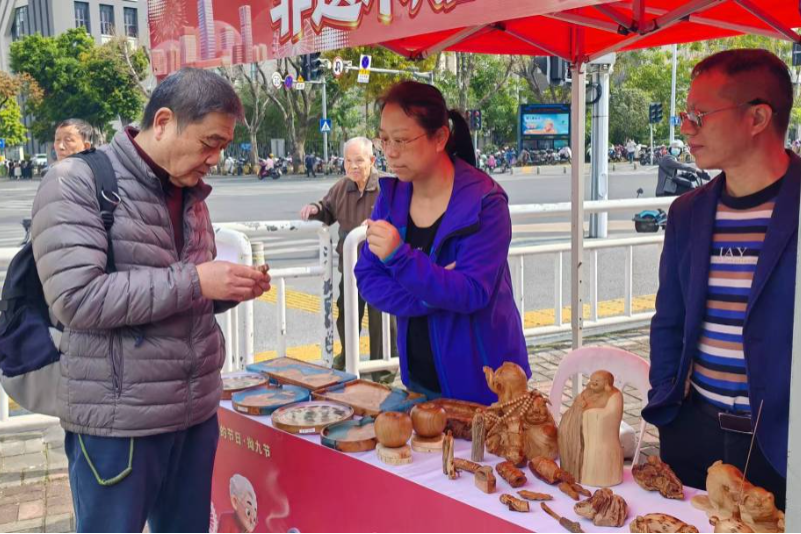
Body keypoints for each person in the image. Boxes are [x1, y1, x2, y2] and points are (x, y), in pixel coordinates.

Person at [31, 68, 271, 532]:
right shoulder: (76, 182)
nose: (216, 158)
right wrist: (198, 281)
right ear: (162, 121)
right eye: (209, 143)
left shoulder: (192, 192)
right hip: (120, 424)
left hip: (195, 412)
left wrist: (228, 289)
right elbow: (76, 298)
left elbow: (183, 293)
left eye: (222, 146)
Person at [645, 49, 798, 510]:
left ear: (758, 117)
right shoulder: (688, 213)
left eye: (699, 114)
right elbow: (668, 320)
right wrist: (665, 402)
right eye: (683, 114)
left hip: (782, 441)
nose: (686, 127)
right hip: (693, 432)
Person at [354, 81, 529, 404]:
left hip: (488, 385)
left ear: (440, 138)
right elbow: (367, 277)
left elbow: (471, 292)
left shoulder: (485, 203)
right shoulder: (392, 198)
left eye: (403, 140)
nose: (390, 152)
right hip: (419, 381)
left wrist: (400, 259)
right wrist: (426, 297)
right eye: (384, 139)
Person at [300, 137, 398, 383]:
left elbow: (404, 217)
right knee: (346, 315)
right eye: (348, 161)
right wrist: (315, 209)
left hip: (382, 270)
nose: (353, 166)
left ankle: (383, 374)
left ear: (372, 161)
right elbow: (327, 208)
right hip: (352, 266)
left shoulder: (389, 186)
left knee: (383, 322)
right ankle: (347, 360)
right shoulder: (342, 187)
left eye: (359, 161)